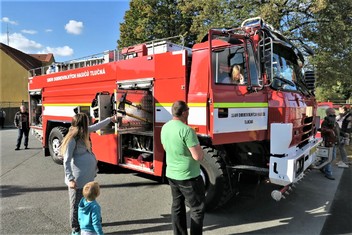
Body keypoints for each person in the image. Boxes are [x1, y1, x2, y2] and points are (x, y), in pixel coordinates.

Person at [61, 112, 117, 235]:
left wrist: (110, 119)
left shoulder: (83, 132)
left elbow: (97, 126)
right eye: (87, 121)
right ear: (82, 124)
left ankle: (92, 220)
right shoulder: (73, 138)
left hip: (87, 176)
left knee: (89, 199)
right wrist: (70, 179)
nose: (89, 123)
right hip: (77, 180)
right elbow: (67, 160)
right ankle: (75, 229)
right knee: (76, 205)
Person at [160, 100, 205, 235]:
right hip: (189, 176)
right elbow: (198, 156)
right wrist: (200, 149)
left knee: (177, 206)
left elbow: (165, 147)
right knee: (197, 209)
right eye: (188, 111)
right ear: (184, 112)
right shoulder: (187, 130)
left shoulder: (165, 127)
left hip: (172, 174)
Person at [320, 108, 340, 180]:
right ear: (328, 113)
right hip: (328, 142)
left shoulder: (334, 122)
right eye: (332, 112)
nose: (334, 114)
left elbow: (338, 130)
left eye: (334, 112)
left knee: (331, 157)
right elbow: (323, 130)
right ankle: (328, 173)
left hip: (333, 142)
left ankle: (321, 166)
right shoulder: (326, 122)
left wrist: (344, 134)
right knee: (329, 157)